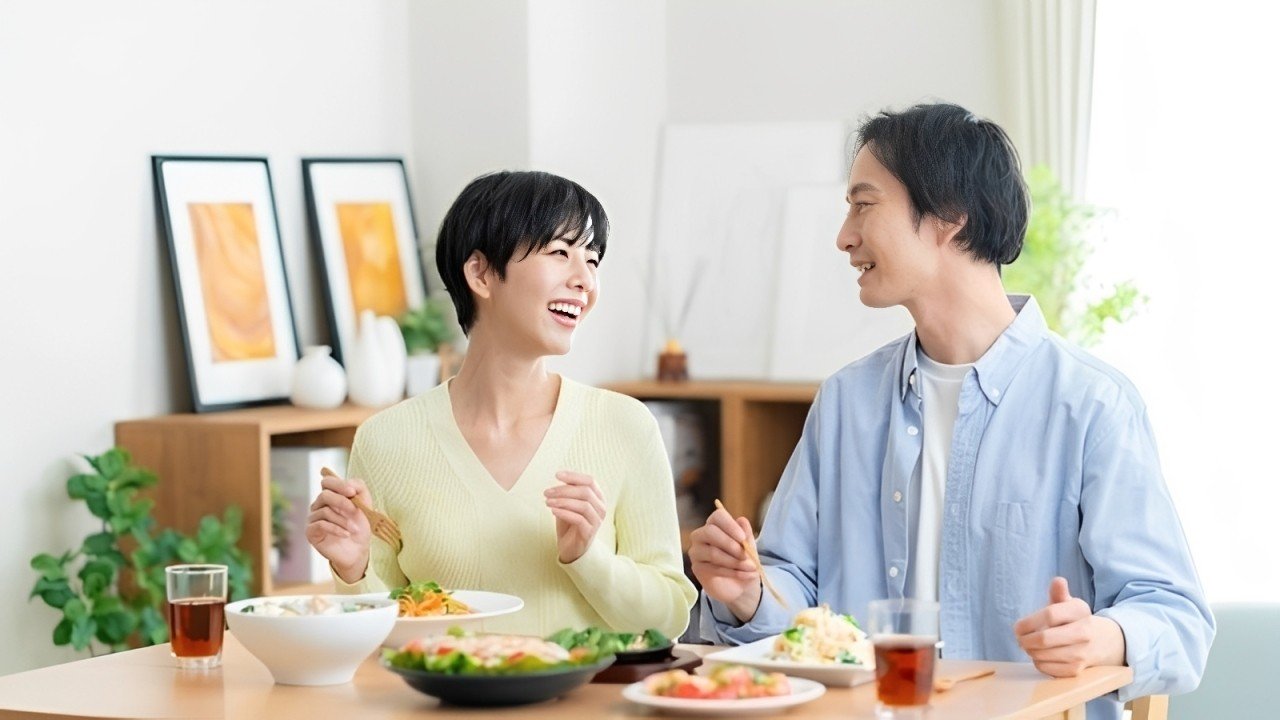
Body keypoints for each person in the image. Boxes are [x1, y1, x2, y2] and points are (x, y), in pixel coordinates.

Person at [689, 103, 1213, 719]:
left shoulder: (1090, 404)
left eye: (864, 205)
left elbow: (1177, 619)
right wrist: (748, 595)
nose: (844, 235)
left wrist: (1101, 636)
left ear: (948, 215)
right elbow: (793, 588)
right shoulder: (846, 402)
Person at [307, 170, 697, 639]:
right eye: (560, 253)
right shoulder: (386, 439)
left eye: (592, 260)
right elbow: (382, 634)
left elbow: (669, 619)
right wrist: (354, 568)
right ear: (482, 274)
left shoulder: (625, 425)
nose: (585, 281)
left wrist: (589, 557)